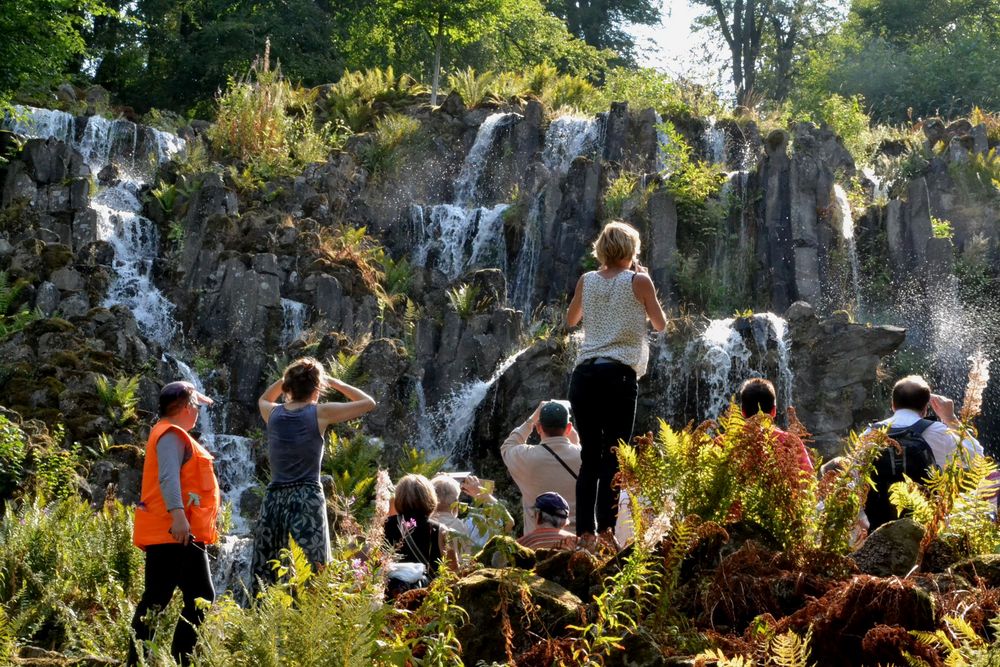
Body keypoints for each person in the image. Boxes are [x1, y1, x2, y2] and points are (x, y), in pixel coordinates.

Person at [566, 221, 667, 546]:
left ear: (601, 250)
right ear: (631, 250)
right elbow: (660, 324)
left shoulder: (587, 279)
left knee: (589, 458)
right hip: (618, 376)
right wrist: (643, 281)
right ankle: (607, 532)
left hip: (584, 374)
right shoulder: (640, 281)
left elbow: (571, 320)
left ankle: (584, 534)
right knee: (613, 455)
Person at [252, 357, 376, 590]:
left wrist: (287, 378)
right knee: (312, 568)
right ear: (317, 388)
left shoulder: (273, 413)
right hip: (306, 498)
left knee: (268, 571)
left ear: (288, 387)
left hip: (274, 499)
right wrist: (336, 382)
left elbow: (263, 398)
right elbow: (368, 403)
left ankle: (262, 619)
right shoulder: (321, 413)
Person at [128, 381, 220, 666]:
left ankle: (143, 659)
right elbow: (168, 478)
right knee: (199, 596)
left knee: (159, 598)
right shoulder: (171, 435)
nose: (197, 413)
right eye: (195, 407)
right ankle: (180, 658)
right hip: (176, 531)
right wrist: (179, 517)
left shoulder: (171, 433)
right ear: (183, 407)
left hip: (172, 531)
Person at [864, 375, 983, 530]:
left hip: (878, 526)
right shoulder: (938, 431)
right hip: (928, 526)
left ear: (893, 405)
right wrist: (950, 418)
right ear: (926, 408)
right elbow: (976, 457)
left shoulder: (870, 433)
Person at [501, 401, 582, 536]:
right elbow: (578, 449)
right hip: (578, 546)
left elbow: (508, 445)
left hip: (537, 547)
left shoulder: (526, 457)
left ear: (538, 427)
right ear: (568, 428)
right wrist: (576, 440)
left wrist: (532, 418)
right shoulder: (585, 458)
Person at [384, 474, 457, 593]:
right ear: (430, 498)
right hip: (427, 600)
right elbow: (453, 572)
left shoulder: (383, 526)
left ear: (399, 498)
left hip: (390, 599)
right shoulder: (440, 530)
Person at [739, 378, 814, 475]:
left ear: (742, 411)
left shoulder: (725, 441)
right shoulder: (790, 442)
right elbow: (808, 478)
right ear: (774, 411)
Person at [431, 474, 513, 553]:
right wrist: (484, 495)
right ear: (456, 503)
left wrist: (436, 485)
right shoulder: (467, 527)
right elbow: (508, 523)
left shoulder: (420, 523)